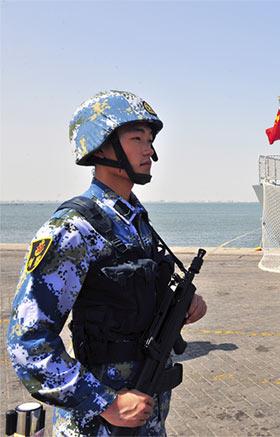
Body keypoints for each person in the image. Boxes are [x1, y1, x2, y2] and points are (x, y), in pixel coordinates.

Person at [6, 90, 208, 436]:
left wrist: (183, 304)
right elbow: (28, 344)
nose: (149, 150)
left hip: (147, 419)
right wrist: (105, 403)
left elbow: (135, 294)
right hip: (98, 425)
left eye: (150, 140)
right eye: (136, 139)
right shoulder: (73, 230)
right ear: (101, 147)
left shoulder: (134, 221)